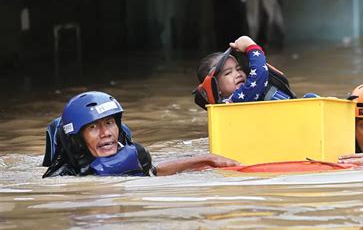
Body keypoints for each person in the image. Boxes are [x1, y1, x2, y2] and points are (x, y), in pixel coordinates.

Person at [42, 91, 239, 178]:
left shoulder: (133, 156)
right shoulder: (63, 177)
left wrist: (209, 159)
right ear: (77, 140)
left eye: (109, 123)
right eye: (93, 127)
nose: (105, 133)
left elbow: (154, 172)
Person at [193, 35, 296, 110]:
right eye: (228, 73)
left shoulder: (245, 94)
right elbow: (260, 74)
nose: (237, 74)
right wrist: (251, 46)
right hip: (288, 122)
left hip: (291, 115)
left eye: (238, 69)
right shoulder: (236, 100)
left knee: (310, 98)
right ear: (216, 88)